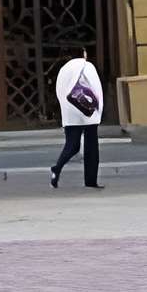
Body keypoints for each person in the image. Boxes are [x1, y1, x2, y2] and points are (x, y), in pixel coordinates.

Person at [49, 43, 106, 190]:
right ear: (83, 54)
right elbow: (96, 88)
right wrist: (99, 109)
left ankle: (57, 167)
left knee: (72, 145)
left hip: (70, 112)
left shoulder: (64, 69)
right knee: (91, 146)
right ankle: (90, 180)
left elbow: (60, 91)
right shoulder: (87, 66)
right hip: (87, 111)